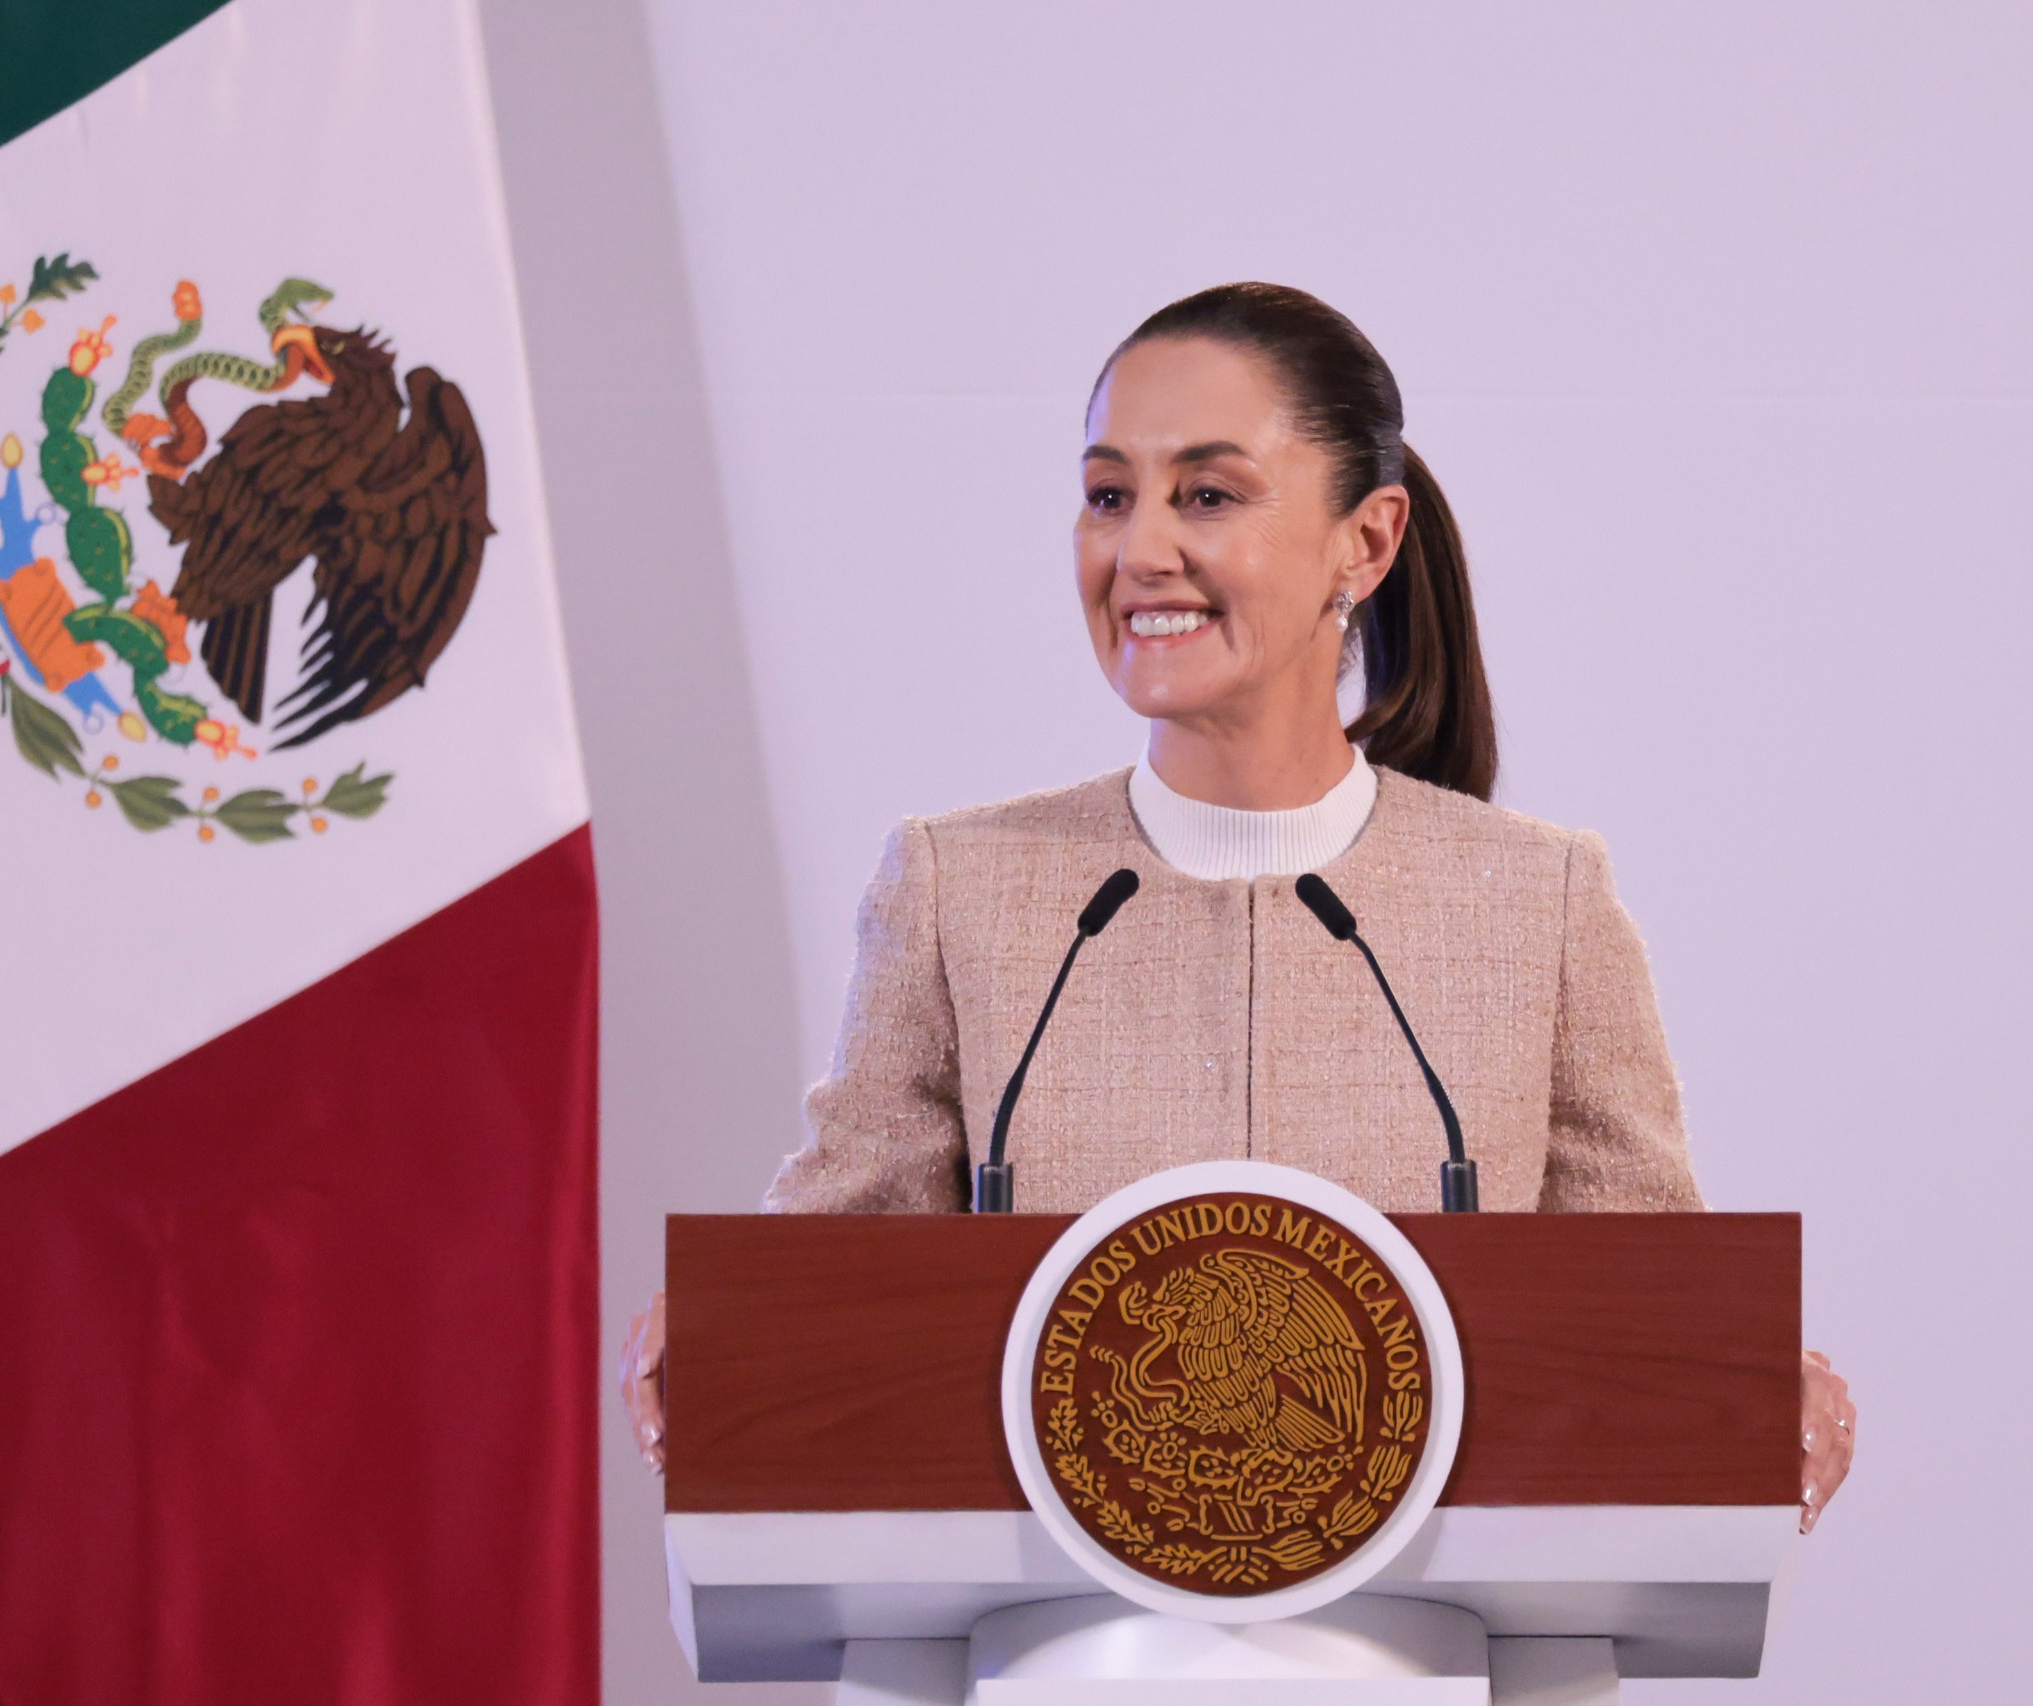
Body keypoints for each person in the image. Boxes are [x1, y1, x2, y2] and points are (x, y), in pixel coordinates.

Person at [621, 283, 1853, 1529]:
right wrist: (733, 1323)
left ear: (1363, 544)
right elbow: (831, 1268)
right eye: (1110, 494)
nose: (1139, 548)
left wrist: (1742, 1376)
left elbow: (1643, 1308)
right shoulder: (964, 890)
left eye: (1205, 494)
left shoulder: (1535, 903)